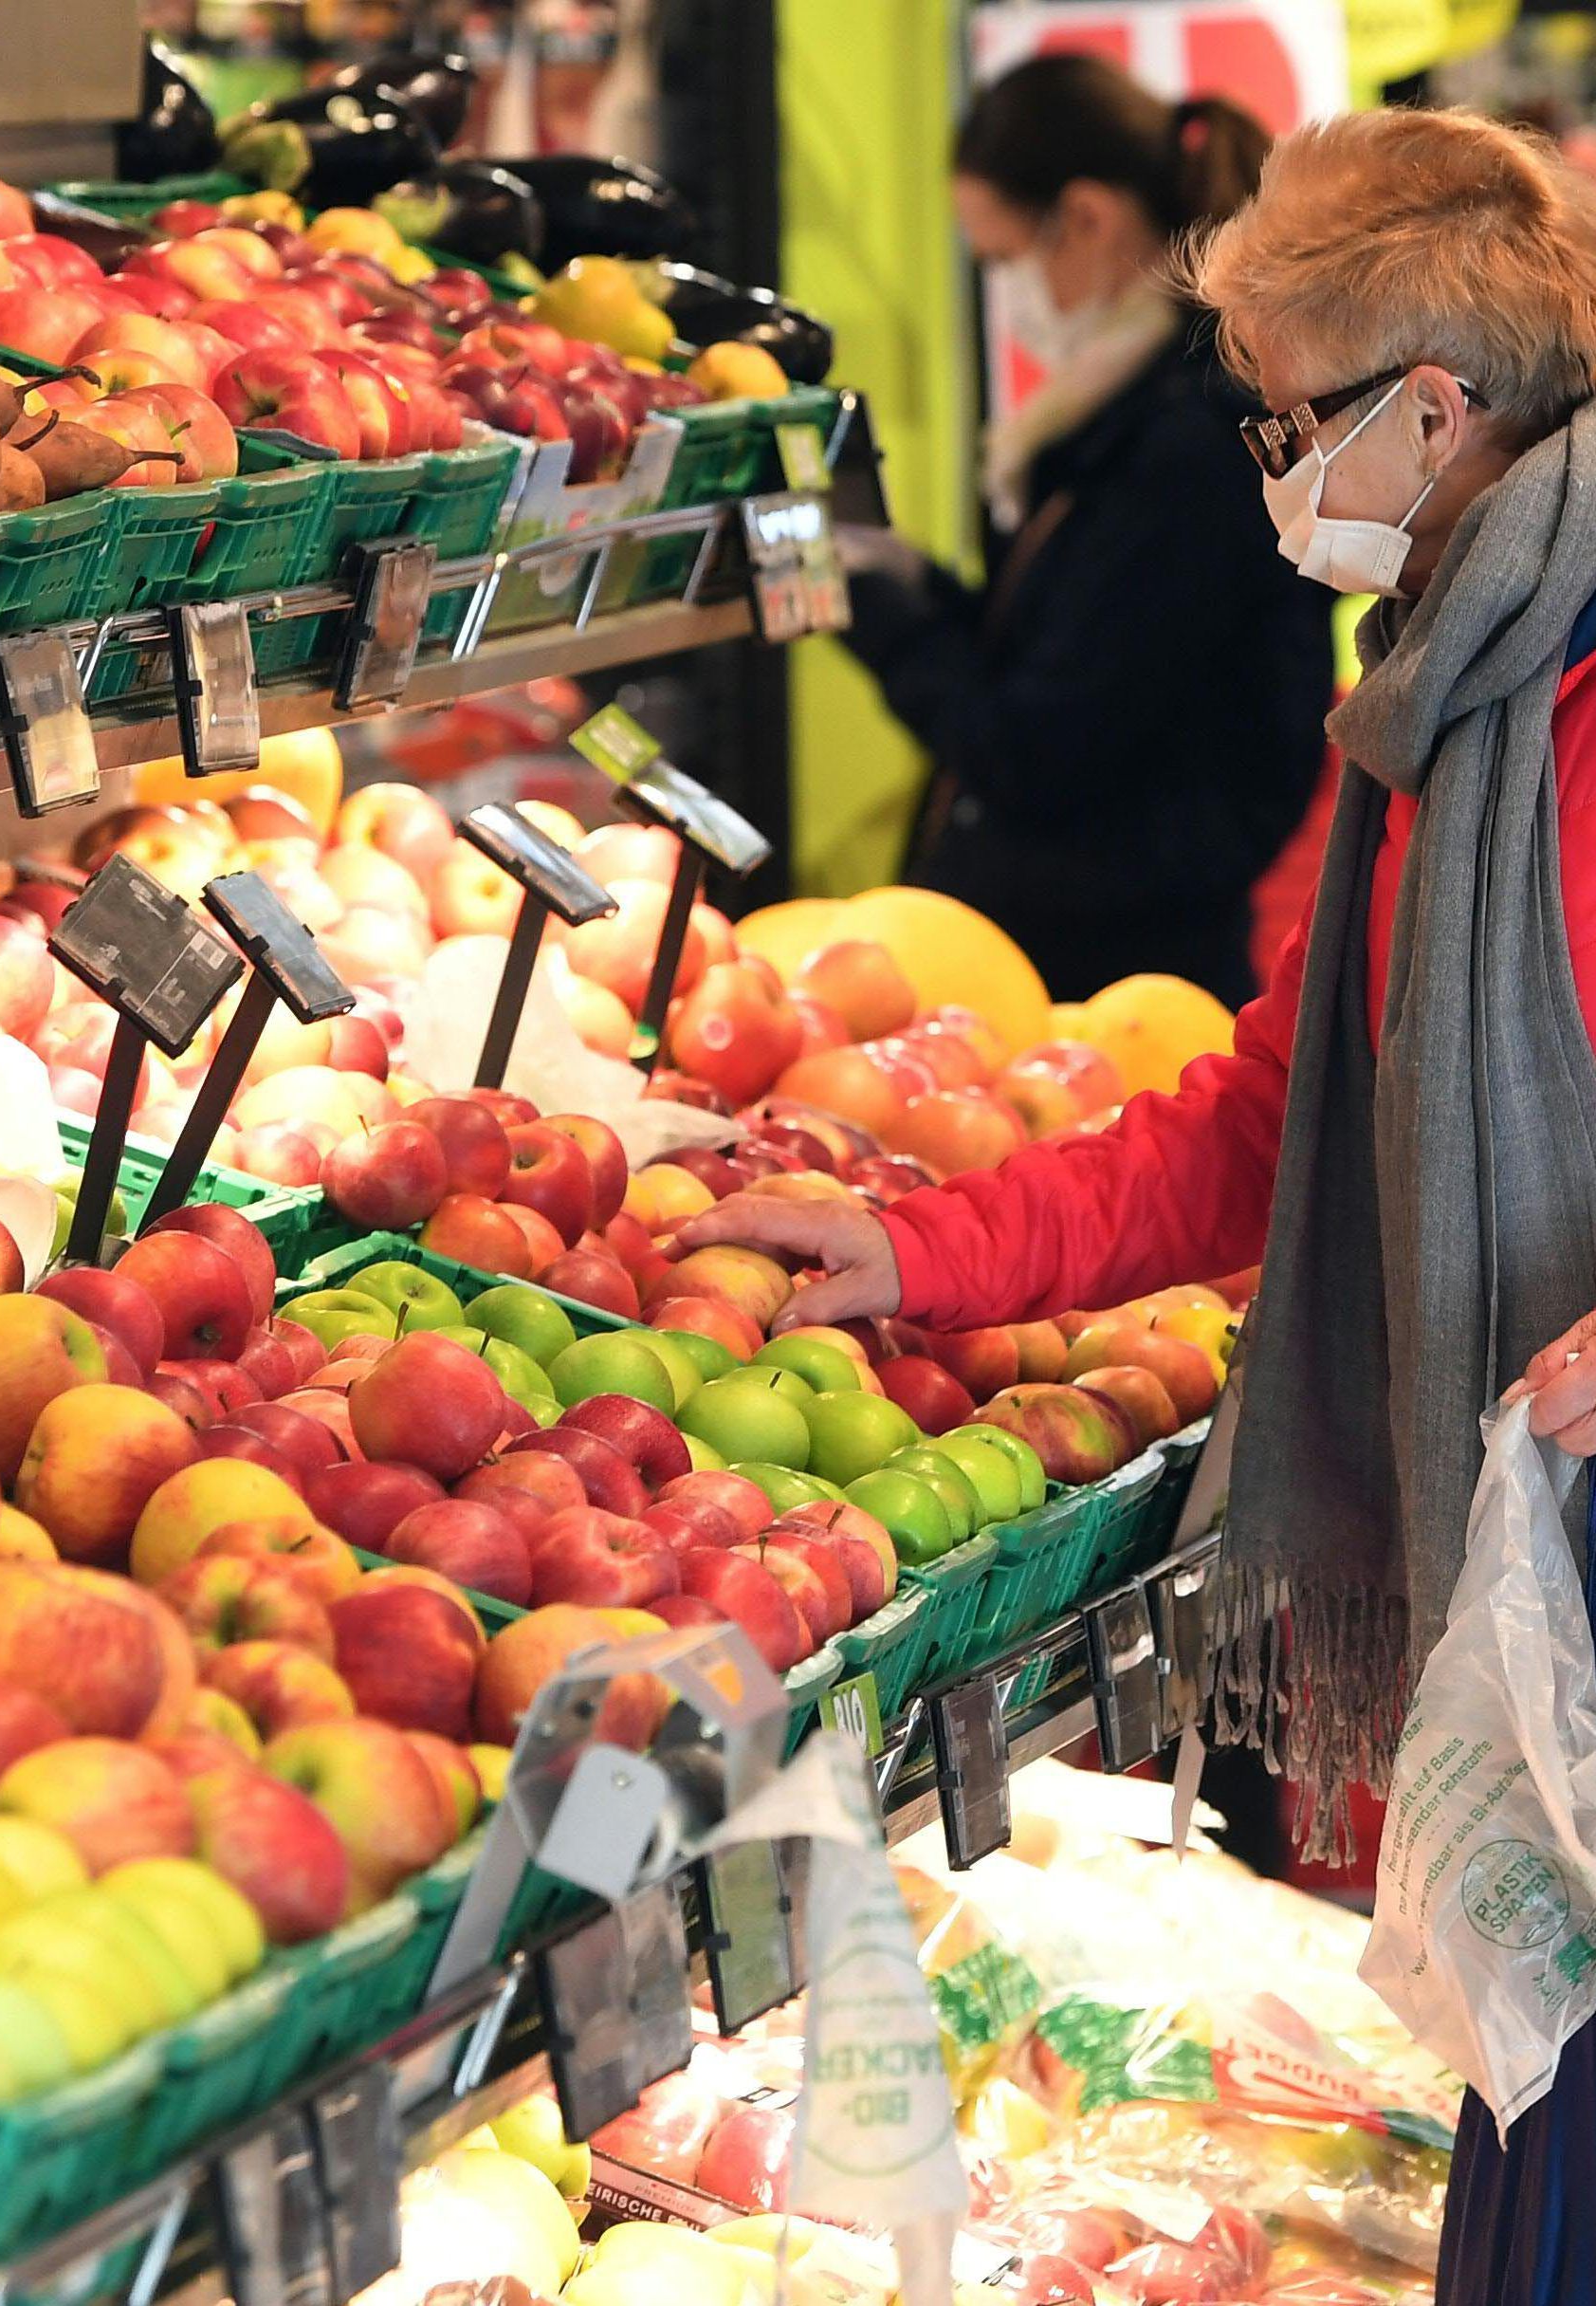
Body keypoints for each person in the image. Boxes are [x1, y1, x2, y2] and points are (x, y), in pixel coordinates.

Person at [686, 105, 1596, 2301]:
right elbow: (1269, 1115)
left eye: (1292, 422)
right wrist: (922, 1247)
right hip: (1541, 1598)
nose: (1280, 475)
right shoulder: (1435, 714)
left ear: (1434, 410)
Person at [835, 53, 1332, 1008]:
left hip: (1118, 981)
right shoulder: (1128, 417)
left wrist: (874, 605)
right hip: (1091, 952)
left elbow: (1039, 745)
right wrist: (909, 582)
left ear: (1088, 219)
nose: (1007, 293)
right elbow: (1066, 658)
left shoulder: (1182, 446)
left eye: (999, 257)